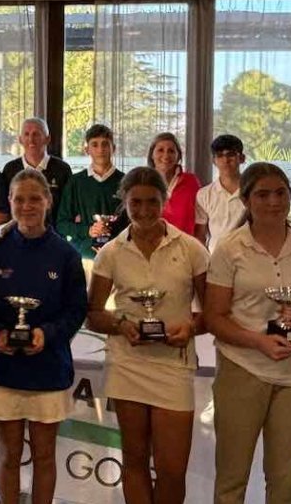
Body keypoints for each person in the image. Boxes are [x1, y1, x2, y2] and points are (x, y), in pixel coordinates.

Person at [204, 162, 291, 504]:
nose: (273, 201)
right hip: (242, 369)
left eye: (280, 193)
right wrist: (258, 341)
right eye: (263, 194)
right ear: (246, 200)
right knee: (232, 479)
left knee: (285, 484)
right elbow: (214, 318)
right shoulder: (230, 249)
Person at [85, 167, 209, 504]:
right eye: (135, 202)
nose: (143, 210)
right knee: (135, 461)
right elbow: (94, 314)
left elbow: (213, 313)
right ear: (124, 203)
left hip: (173, 366)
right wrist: (121, 324)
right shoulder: (110, 252)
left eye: (152, 202)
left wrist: (191, 328)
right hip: (128, 364)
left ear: (164, 201)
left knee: (171, 469)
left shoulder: (191, 249)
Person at [0, 170, 87, 504]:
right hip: (4, 368)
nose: (27, 206)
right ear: (10, 201)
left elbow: (76, 309)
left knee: (44, 457)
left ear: (48, 201)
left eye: (35, 198)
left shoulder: (65, 255)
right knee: (9, 455)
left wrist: (47, 333)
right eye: (19, 198)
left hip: (49, 368)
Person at [56, 123, 125, 269]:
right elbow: (62, 224)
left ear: (114, 148)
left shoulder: (125, 182)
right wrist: (88, 230)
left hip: (119, 257)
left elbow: (131, 223)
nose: (100, 149)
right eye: (95, 144)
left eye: (105, 144)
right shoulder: (76, 182)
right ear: (87, 149)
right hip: (84, 257)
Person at [0, 118, 72, 226]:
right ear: (20, 139)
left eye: (36, 134)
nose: (31, 139)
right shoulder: (10, 169)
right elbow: (5, 208)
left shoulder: (62, 169)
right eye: (26, 134)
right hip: (19, 235)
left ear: (47, 139)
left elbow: (68, 209)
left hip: (54, 235)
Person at [194, 134, 246, 253]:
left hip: (248, 258)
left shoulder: (253, 191)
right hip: (216, 258)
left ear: (242, 158)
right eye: (220, 156)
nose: (225, 160)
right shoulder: (204, 194)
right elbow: (200, 234)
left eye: (231, 154)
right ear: (214, 161)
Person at [146, 132, 201, 236]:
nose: (166, 155)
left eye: (171, 151)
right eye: (160, 150)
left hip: (185, 247)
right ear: (152, 155)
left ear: (178, 156)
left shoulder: (191, 182)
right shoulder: (143, 183)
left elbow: (200, 220)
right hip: (151, 246)